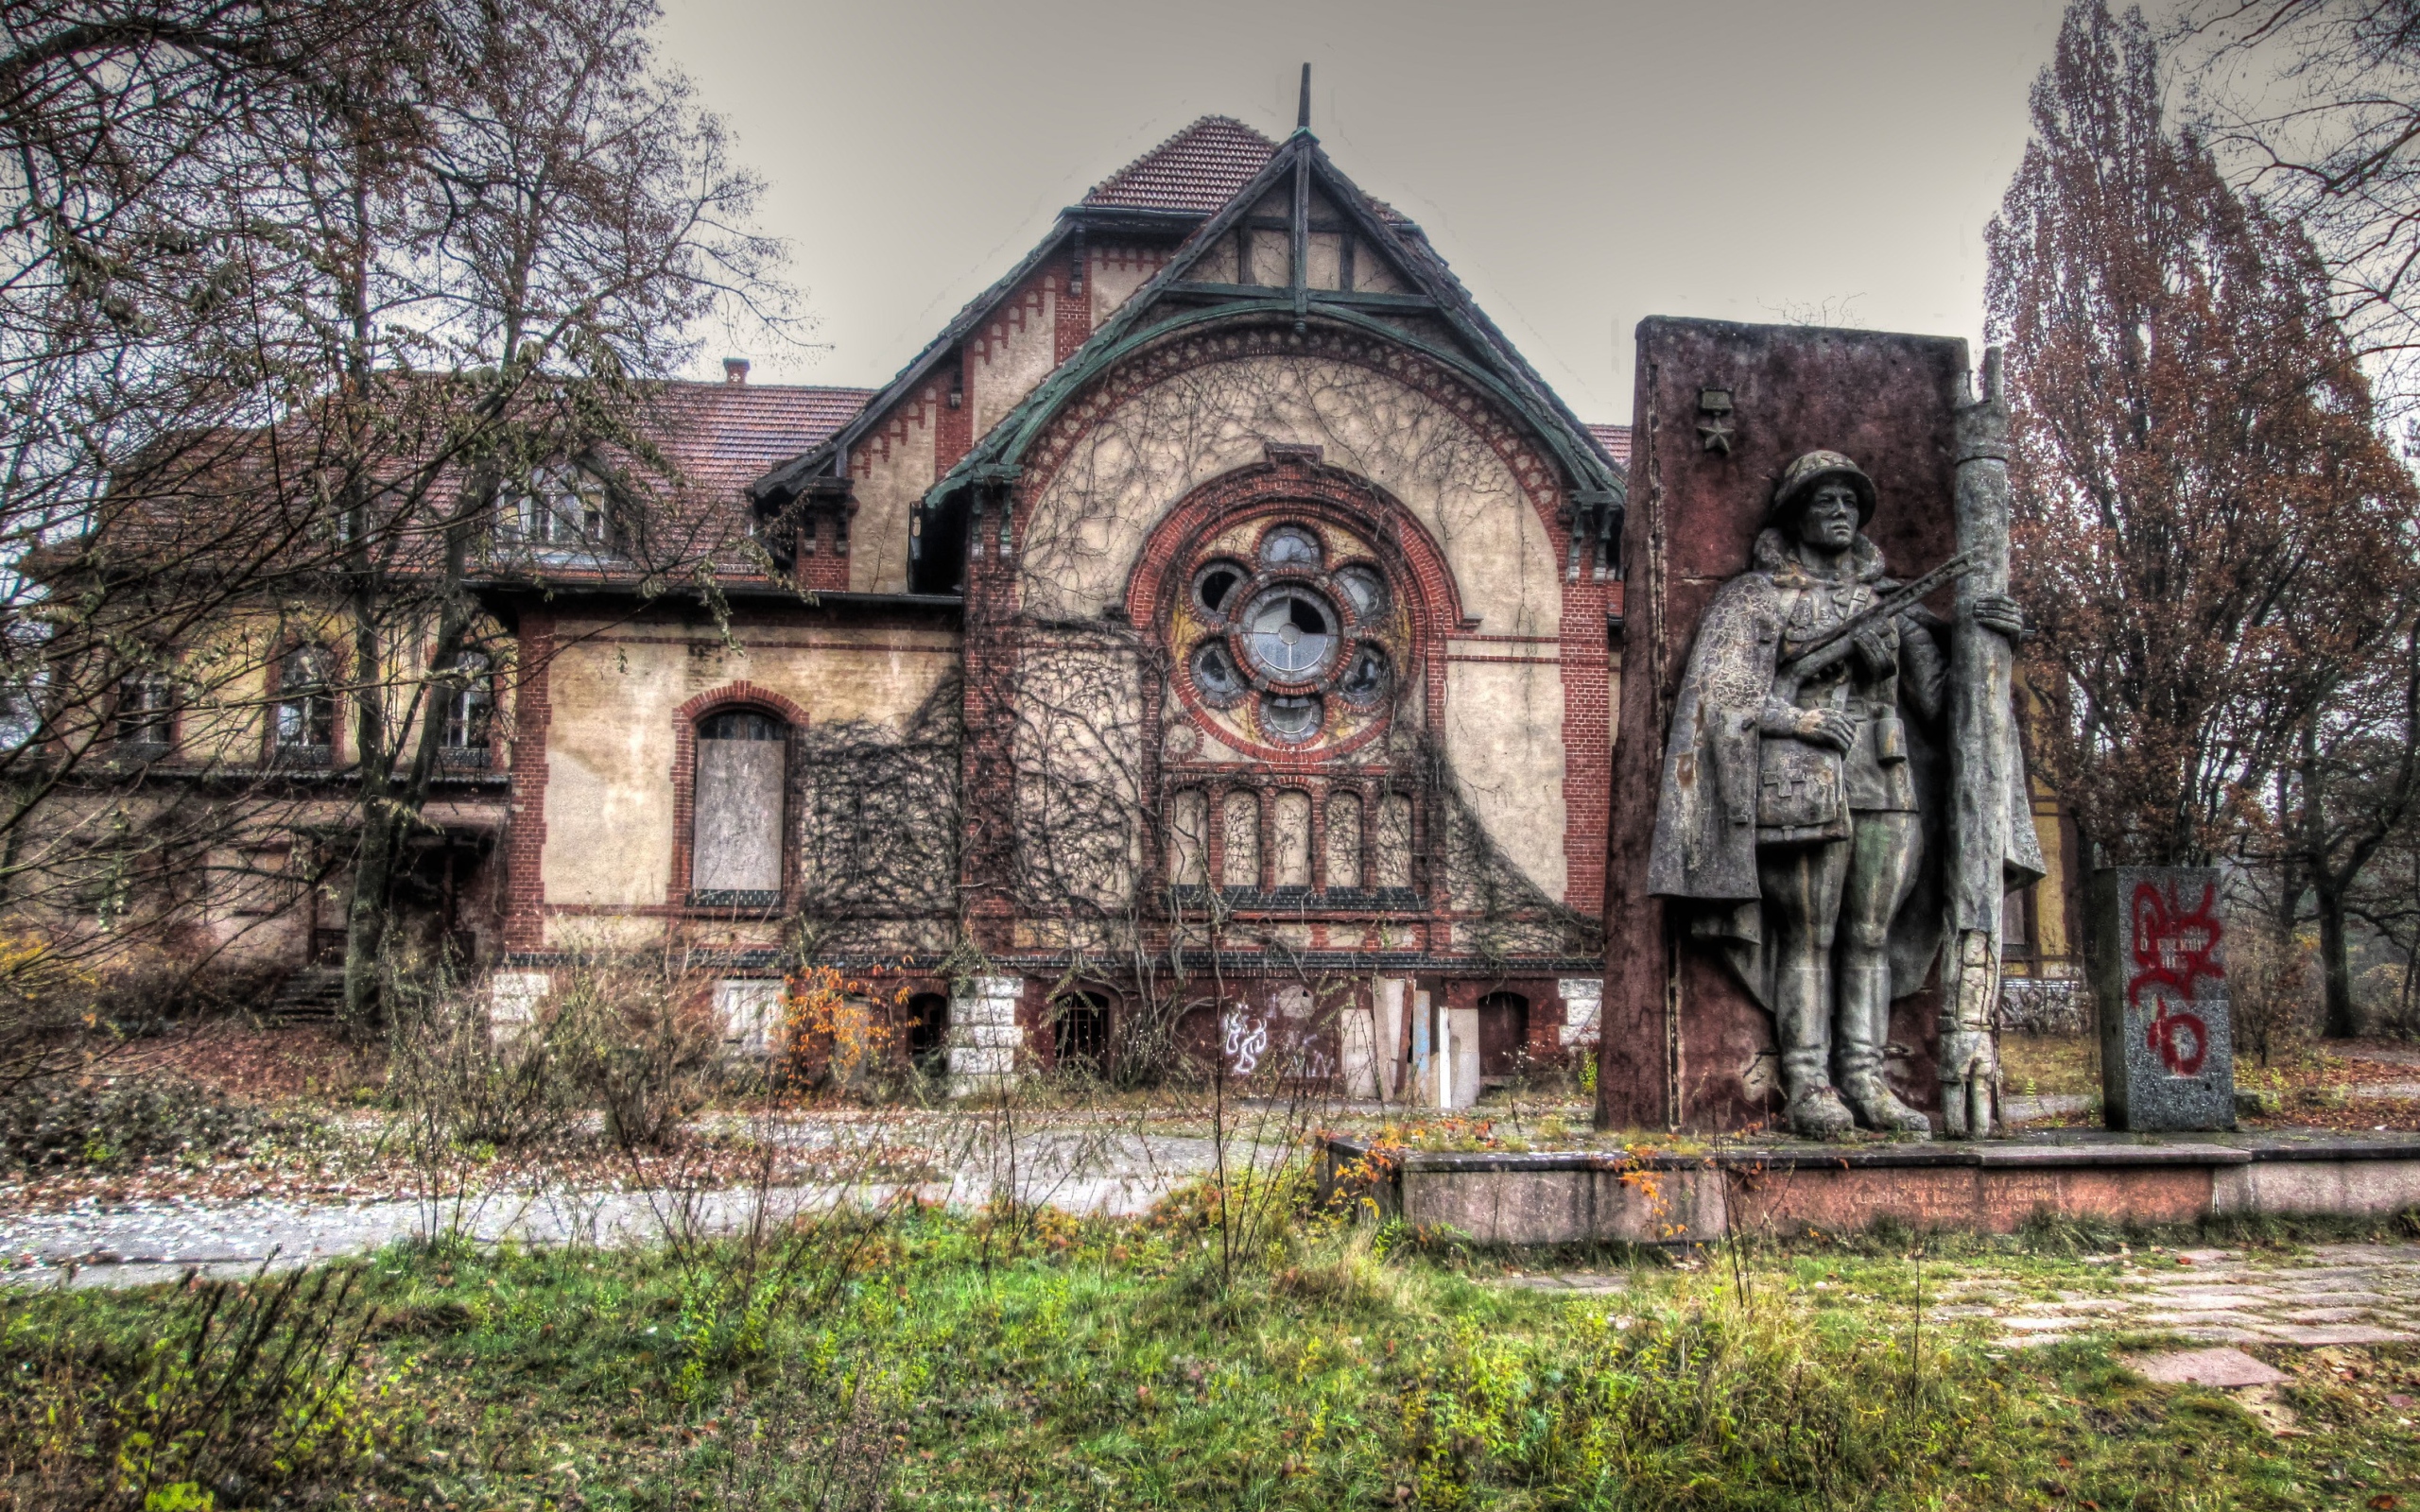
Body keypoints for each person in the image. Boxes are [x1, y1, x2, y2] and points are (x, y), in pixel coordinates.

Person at [1646, 450, 2028, 1139]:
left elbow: (1946, 711)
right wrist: (1801, 717)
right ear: (1795, 515)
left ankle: (1866, 1078)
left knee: (1870, 937)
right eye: (1824, 501)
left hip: (1885, 779)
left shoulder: (1890, 604)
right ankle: (1810, 1081)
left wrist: (1990, 642)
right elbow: (1726, 695)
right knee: (1808, 938)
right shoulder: (1759, 599)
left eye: (1850, 503)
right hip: (1800, 782)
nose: (1840, 512)